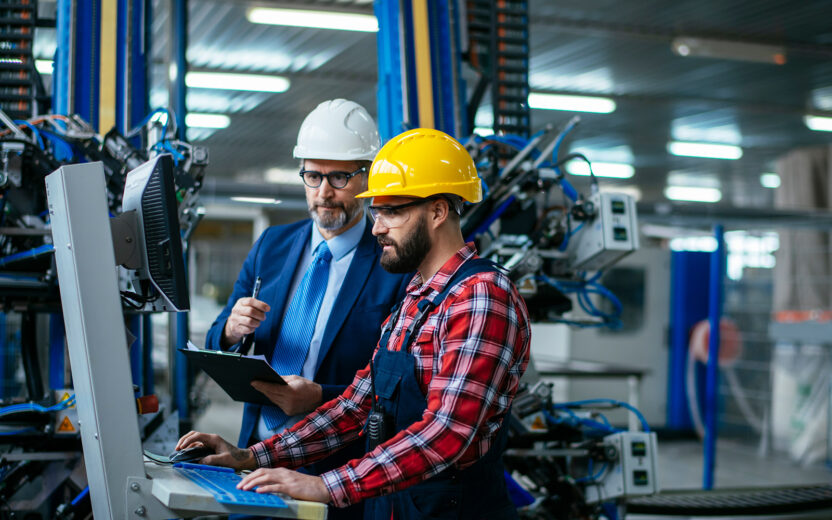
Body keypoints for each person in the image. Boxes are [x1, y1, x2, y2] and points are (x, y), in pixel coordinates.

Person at [182, 128, 532, 519]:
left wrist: (325, 486)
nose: (377, 227)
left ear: (437, 212)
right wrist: (250, 455)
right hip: (392, 507)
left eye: (393, 211)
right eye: (376, 212)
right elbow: (358, 406)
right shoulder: (417, 296)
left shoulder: (481, 296)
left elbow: (447, 434)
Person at [203, 99, 410, 519]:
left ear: (367, 176)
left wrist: (319, 398)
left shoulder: (395, 265)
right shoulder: (272, 246)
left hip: (337, 474)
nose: (324, 192)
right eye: (313, 176)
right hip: (257, 456)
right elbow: (215, 340)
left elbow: (400, 389)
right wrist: (231, 330)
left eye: (339, 177)